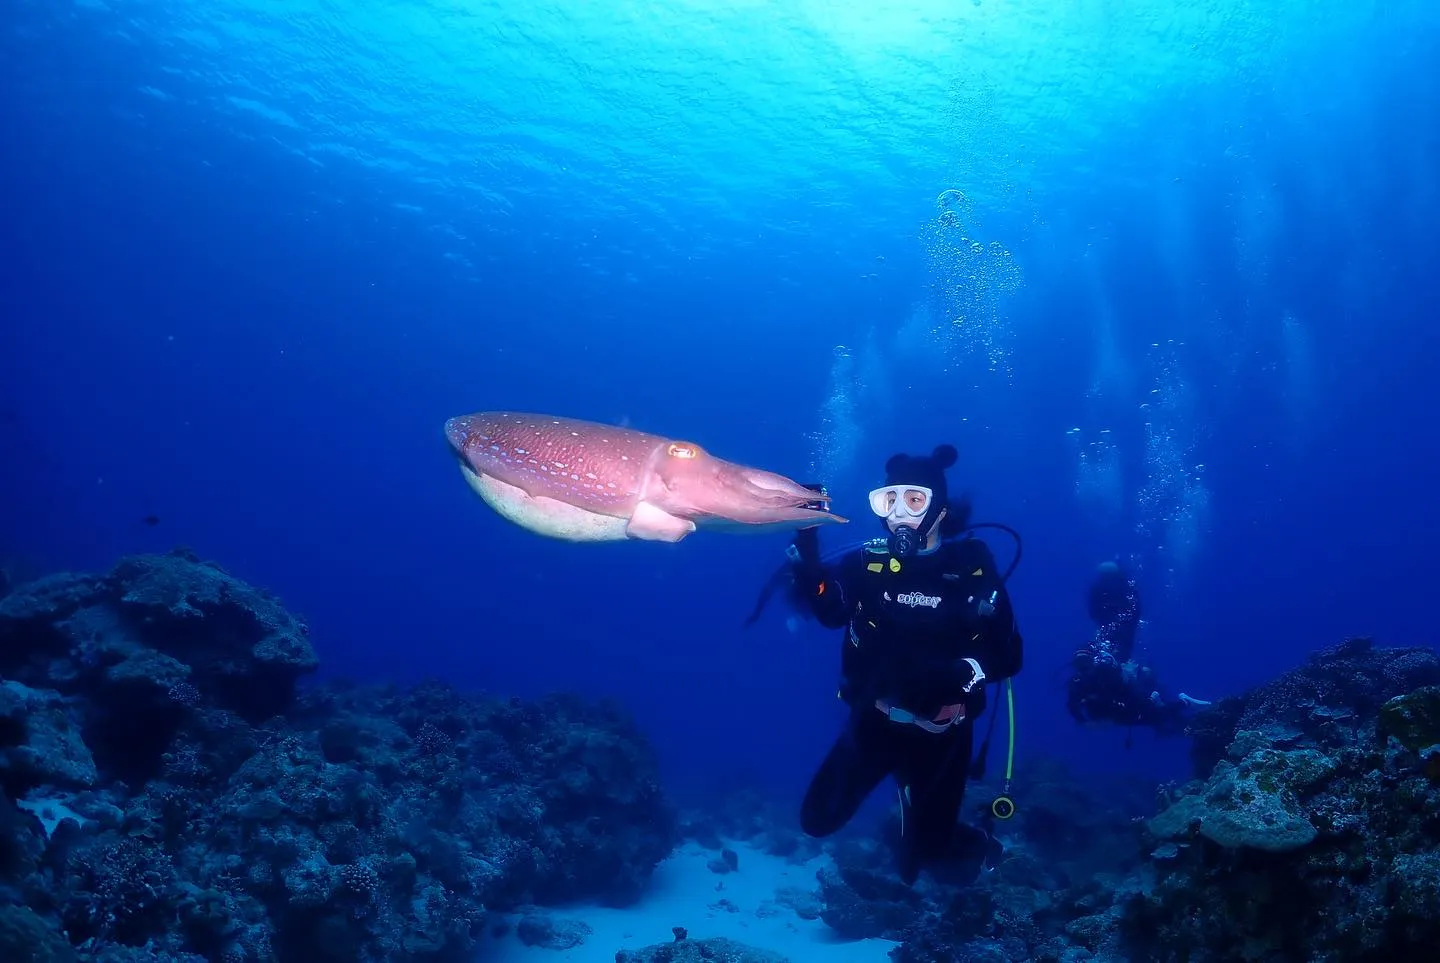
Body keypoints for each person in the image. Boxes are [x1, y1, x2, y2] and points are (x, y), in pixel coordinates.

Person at [787, 443, 1024, 886]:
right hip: (874, 724)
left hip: (943, 735)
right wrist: (807, 544)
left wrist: (968, 670)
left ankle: (963, 833)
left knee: (930, 865)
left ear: (939, 510)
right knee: (815, 821)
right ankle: (907, 794)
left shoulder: (972, 568)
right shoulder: (868, 564)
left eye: (914, 500)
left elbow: (1010, 656)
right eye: (888, 500)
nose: (899, 515)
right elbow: (830, 613)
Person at [1066, 561, 1210, 735]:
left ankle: (1179, 702)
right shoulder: (1083, 681)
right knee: (1155, 714)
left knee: (1155, 713)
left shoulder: (1094, 678)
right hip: (1120, 704)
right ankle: (1173, 704)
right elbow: (1073, 704)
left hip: (1123, 701)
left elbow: (1124, 690)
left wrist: (1085, 721)